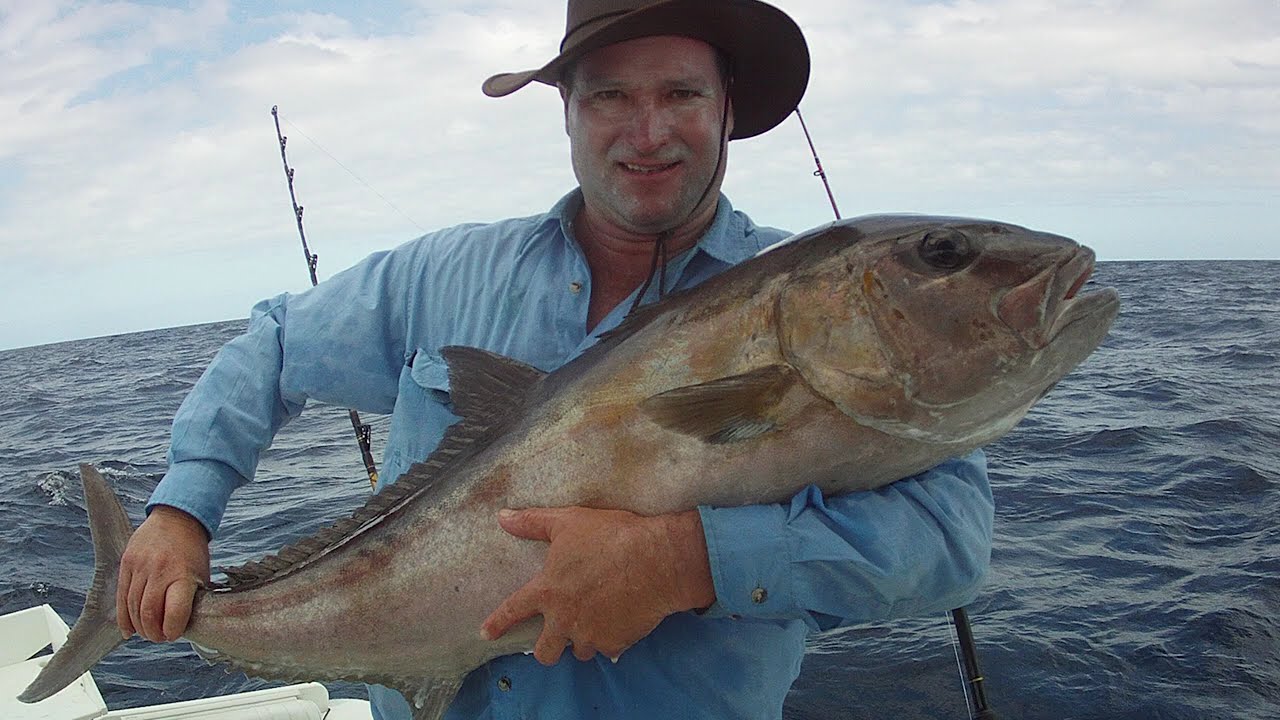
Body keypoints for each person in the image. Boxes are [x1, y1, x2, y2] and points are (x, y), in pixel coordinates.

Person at [116, 1, 995, 719]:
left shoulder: (824, 305)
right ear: (567, 110)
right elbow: (274, 342)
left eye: (681, 94)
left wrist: (690, 560)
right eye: (610, 96)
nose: (647, 131)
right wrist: (180, 511)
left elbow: (951, 539)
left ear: (726, 107)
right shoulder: (445, 274)